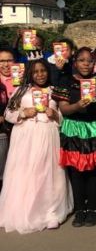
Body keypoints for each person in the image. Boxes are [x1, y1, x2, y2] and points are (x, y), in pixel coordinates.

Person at [0, 59, 73, 233]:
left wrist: (55, 114)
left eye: (43, 71)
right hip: (26, 137)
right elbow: (8, 113)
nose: (40, 75)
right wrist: (23, 113)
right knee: (27, 172)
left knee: (49, 173)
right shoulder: (20, 90)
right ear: (30, 74)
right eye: (35, 72)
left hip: (48, 135)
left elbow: (63, 118)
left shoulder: (54, 91)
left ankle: (50, 212)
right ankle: (25, 209)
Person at [52, 47, 96, 227]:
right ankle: (80, 210)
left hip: (95, 128)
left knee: (94, 171)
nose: (86, 64)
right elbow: (64, 109)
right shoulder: (66, 80)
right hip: (75, 129)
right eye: (81, 60)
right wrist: (77, 106)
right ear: (75, 62)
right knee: (76, 171)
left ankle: (93, 210)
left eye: (89, 60)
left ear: (94, 63)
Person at [0, 47, 15, 185]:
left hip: (19, 129)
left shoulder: (23, 79)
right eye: (2, 61)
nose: (6, 64)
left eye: (9, 60)